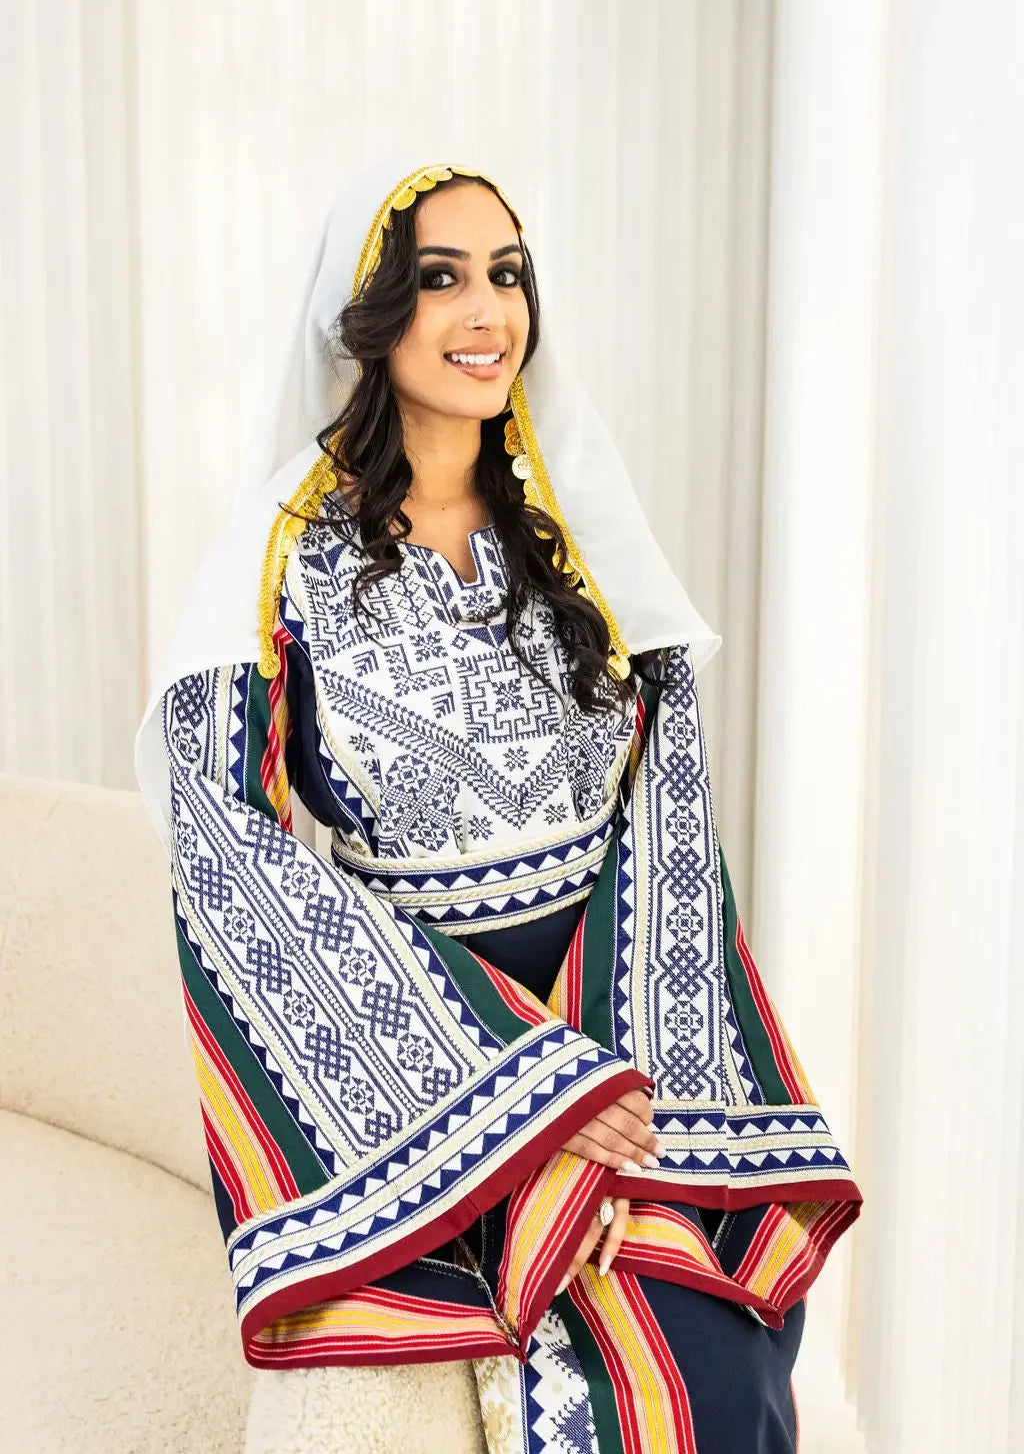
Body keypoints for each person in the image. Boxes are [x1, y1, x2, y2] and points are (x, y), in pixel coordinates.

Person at [134, 151, 863, 1453]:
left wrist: (613, 1080)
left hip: (630, 1021)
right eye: (441, 278)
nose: (488, 313)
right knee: (652, 1379)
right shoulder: (281, 556)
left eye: (508, 274)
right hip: (428, 1068)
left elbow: (669, 814)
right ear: (368, 315)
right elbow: (225, 847)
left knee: (725, 1350)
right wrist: (530, 1098)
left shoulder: (580, 530)